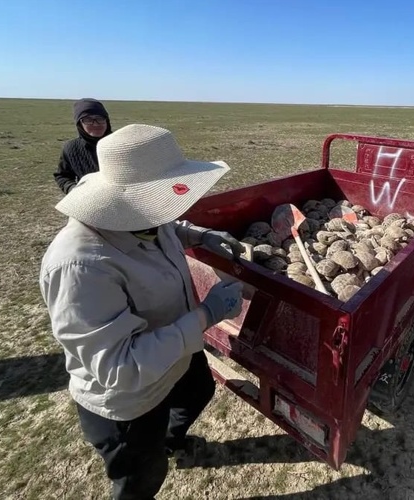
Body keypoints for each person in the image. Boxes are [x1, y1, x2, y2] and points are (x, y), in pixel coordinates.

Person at [40, 123, 246, 499]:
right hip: (130, 401)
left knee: (198, 389)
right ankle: (151, 459)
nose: (170, 209)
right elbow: (121, 367)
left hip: (175, 359)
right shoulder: (81, 266)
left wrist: (199, 235)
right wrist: (206, 315)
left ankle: (170, 441)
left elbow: (164, 227)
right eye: (164, 197)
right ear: (127, 201)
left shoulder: (140, 216)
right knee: (141, 478)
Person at [53, 98, 113, 194]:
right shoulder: (71, 148)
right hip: (89, 198)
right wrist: (73, 189)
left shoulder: (122, 144)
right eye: (88, 120)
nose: (95, 124)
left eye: (100, 118)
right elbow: (62, 176)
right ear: (79, 124)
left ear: (107, 121)